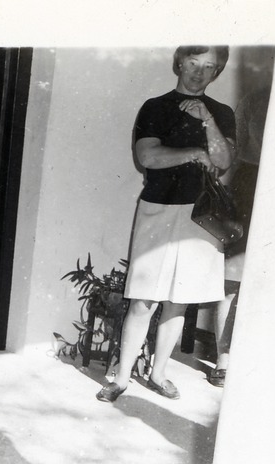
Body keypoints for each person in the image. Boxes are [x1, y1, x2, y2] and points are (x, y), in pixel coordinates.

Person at [97, 46, 236, 403]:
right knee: (143, 300)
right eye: (192, 63)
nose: (198, 72)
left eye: (208, 67)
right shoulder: (155, 107)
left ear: (216, 71)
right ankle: (122, 378)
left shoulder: (221, 113)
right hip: (158, 209)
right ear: (179, 63)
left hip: (202, 216)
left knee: (180, 300)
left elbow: (222, 160)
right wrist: (194, 154)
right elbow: (148, 157)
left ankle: (158, 374)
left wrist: (207, 120)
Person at [209, 81, 270, 387]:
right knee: (232, 279)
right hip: (249, 185)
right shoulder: (256, 97)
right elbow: (231, 150)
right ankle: (223, 358)